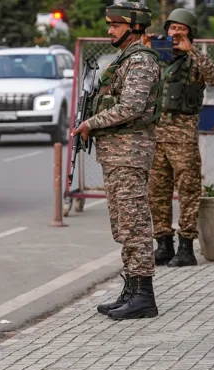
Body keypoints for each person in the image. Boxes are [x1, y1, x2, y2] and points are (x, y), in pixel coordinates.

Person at [70, 2, 162, 321]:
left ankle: (144, 295)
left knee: (135, 222)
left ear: (134, 26)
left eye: (116, 24)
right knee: (123, 224)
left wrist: (91, 123)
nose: (110, 30)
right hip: (117, 155)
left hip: (130, 153)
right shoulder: (125, 59)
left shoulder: (141, 61)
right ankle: (132, 288)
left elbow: (131, 108)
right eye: (110, 24)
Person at [146, 9, 214, 267]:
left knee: (188, 191)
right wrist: (145, 47)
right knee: (156, 192)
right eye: (172, 28)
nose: (175, 33)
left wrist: (192, 50)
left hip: (183, 138)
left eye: (181, 29)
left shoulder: (194, 61)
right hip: (157, 137)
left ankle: (186, 247)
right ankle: (164, 244)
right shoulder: (157, 57)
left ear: (190, 32)